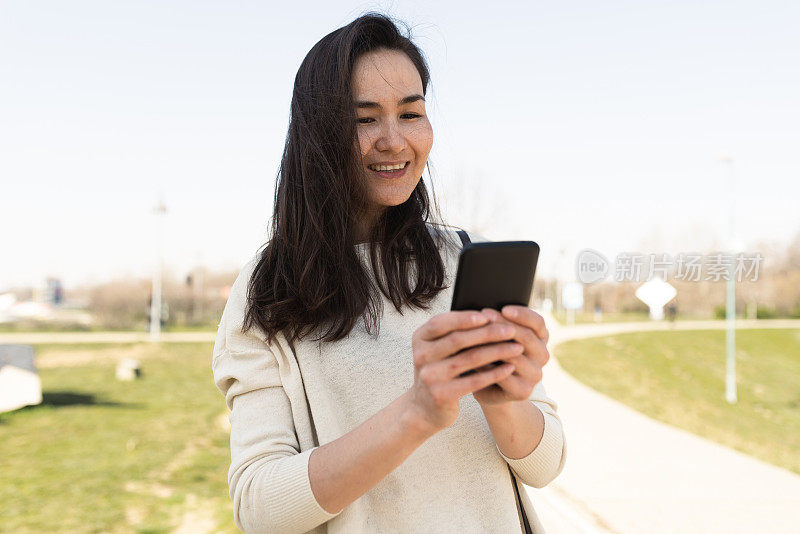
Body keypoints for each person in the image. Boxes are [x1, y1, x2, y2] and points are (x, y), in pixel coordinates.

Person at [211, 12, 566, 534]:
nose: (395, 141)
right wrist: (417, 413)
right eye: (365, 118)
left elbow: (546, 464)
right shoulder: (268, 289)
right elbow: (259, 508)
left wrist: (504, 403)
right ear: (319, 134)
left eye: (411, 112)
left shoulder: (464, 260)